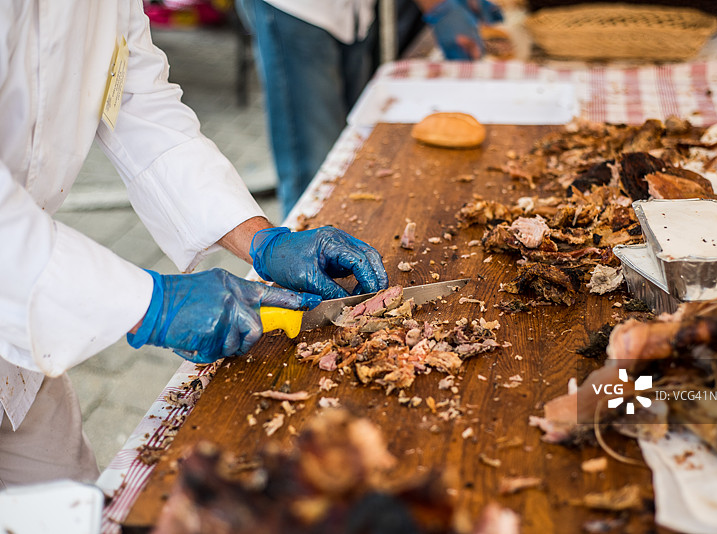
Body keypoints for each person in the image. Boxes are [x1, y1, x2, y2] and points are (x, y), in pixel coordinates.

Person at [0, 0, 387, 488]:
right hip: (22, 277)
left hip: (22, 350)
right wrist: (150, 303)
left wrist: (259, 239)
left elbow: (138, 103)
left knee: (70, 506)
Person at [236, 0, 504, 217]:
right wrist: (436, 5)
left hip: (354, 14)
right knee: (312, 168)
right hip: (299, 10)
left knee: (351, 151)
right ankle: (300, 273)